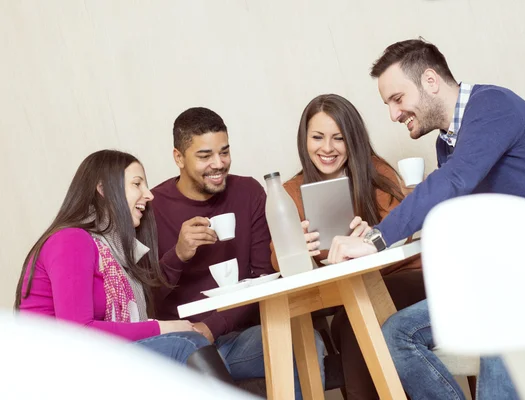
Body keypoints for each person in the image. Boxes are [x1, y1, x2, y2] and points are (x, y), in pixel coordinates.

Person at [327, 39, 525, 399]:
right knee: (397, 334)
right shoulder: (449, 141)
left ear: (431, 81)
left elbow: (453, 181)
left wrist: (377, 238)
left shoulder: (493, 107)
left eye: (397, 99)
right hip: (509, 277)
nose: (393, 114)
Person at [151, 107, 325, 399]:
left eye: (225, 152)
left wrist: (212, 326)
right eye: (205, 156)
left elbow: (265, 275)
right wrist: (178, 255)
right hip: (185, 345)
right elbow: (144, 297)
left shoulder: (248, 192)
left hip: (239, 337)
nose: (218, 164)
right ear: (178, 158)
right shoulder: (154, 207)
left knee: (304, 340)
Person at [270, 93, 426, 399]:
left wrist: (376, 236)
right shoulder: (291, 191)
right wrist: (296, 248)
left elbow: (407, 226)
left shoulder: (375, 172)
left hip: (402, 279)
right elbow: (277, 259)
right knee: (350, 318)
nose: (326, 148)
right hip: (349, 295)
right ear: (305, 140)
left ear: (352, 140)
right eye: (317, 137)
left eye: (338, 138)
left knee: (354, 320)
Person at [15, 150, 213, 367]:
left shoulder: (115, 251)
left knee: (199, 342)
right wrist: (163, 327)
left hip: (91, 359)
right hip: (57, 366)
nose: (149, 195)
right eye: (137, 184)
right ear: (103, 189)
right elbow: (77, 331)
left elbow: (150, 295)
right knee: (184, 343)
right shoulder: (71, 240)